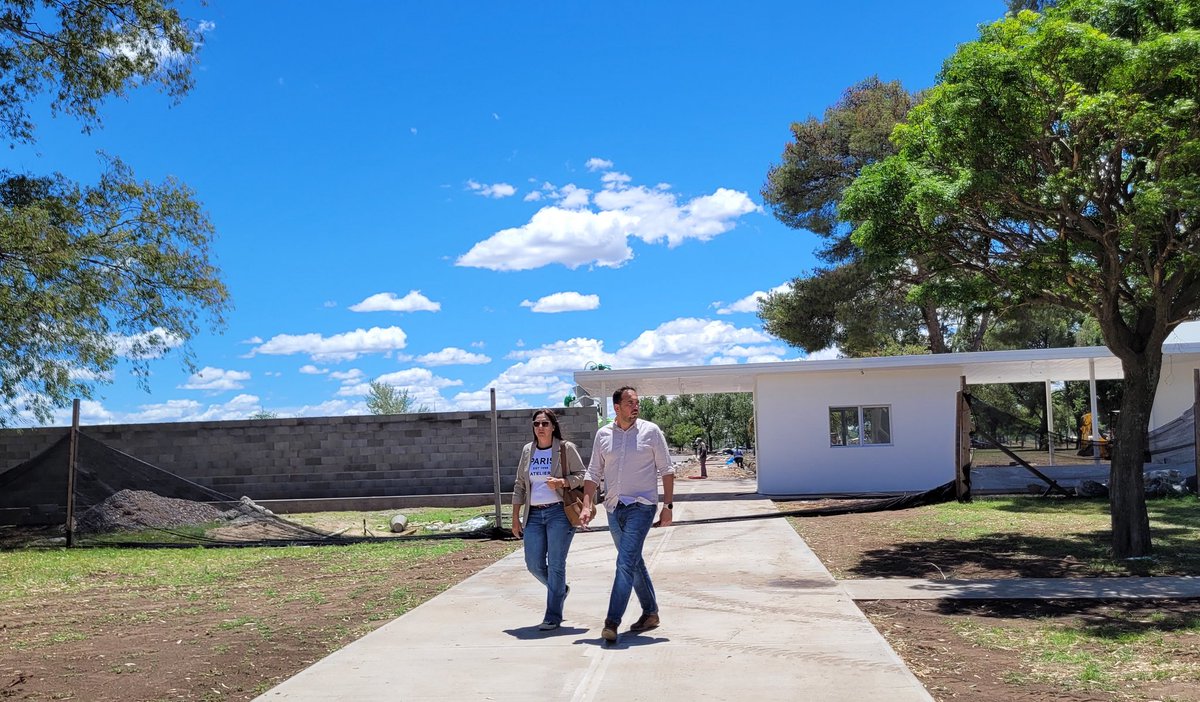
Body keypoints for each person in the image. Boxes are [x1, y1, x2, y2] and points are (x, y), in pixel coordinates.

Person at [580, 386, 674, 643]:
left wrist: (668, 506)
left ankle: (612, 622)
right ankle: (650, 613)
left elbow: (667, 470)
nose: (636, 406)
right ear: (617, 407)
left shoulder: (651, 432)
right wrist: (587, 505)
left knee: (624, 563)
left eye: (637, 402)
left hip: (642, 506)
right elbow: (592, 473)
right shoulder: (603, 435)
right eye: (630, 402)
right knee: (632, 562)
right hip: (613, 507)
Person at [511, 408, 586, 631]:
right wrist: (515, 518)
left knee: (555, 564)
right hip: (533, 514)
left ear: (553, 426)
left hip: (559, 513)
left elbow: (583, 475)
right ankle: (560, 590)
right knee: (533, 564)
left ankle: (553, 616)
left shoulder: (565, 448)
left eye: (545, 424)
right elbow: (519, 485)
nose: (540, 428)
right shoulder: (528, 450)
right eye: (537, 424)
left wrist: (562, 482)